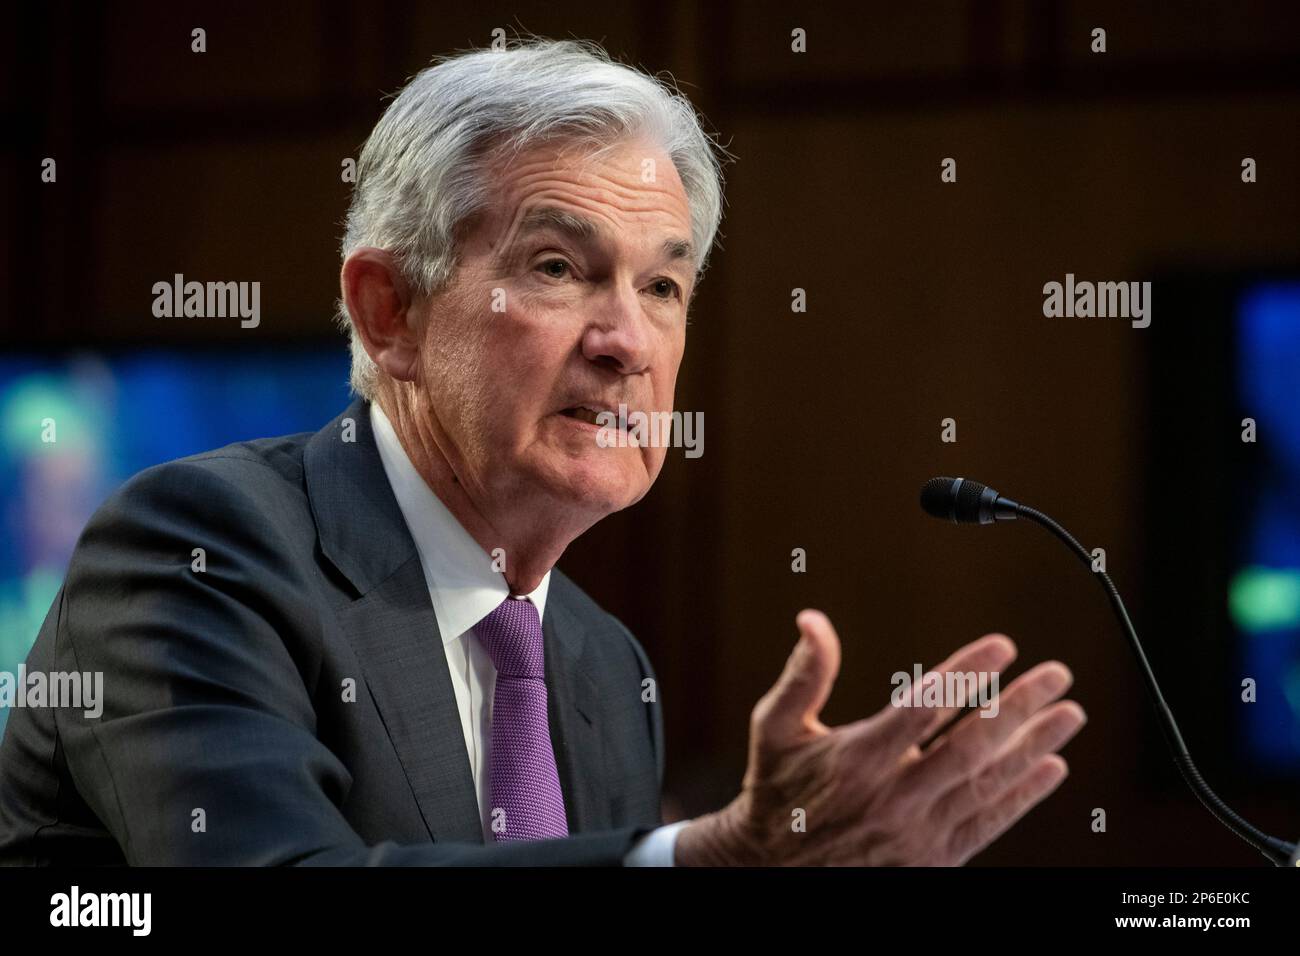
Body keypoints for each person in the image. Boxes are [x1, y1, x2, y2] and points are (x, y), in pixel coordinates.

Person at [0, 38, 1085, 866]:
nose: (625, 342)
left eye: (662, 287)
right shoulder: (199, 551)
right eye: (561, 267)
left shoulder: (604, 667)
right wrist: (700, 857)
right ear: (390, 314)